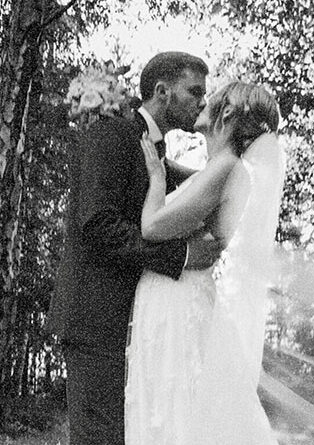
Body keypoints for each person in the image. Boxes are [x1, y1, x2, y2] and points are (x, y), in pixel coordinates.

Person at [45, 51, 222, 445]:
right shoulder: (111, 135)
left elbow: (192, 188)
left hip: (132, 319)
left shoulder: (152, 149)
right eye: (194, 92)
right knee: (100, 438)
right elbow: (98, 224)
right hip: (95, 317)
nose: (201, 102)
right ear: (162, 91)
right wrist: (181, 256)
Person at [125, 81, 284, 445]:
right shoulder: (219, 169)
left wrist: (156, 178)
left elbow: (152, 227)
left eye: (209, 98)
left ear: (225, 113)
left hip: (178, 300)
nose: (202, 102)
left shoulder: (224, 168)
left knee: (175, 412)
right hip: (176, 294)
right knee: (172, 409)